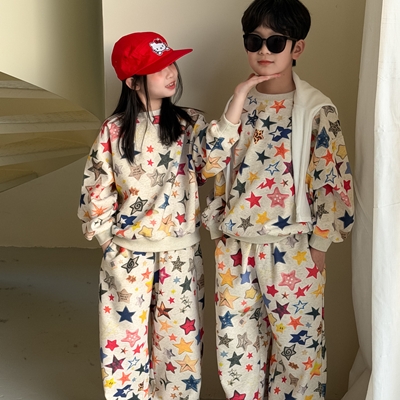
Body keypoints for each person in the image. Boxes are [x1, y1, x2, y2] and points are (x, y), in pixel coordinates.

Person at [78, 31, 277, 400]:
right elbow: (96, 190)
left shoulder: (189, 123)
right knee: (124, 346)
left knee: (179, 351)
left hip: (181, 255)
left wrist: (239, 97)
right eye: (158, 67)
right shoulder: (113, 131)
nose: (171, 72)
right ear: (133, 81)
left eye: (171, 63)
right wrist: (107, 242)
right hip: (128, 256)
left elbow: (213, 159)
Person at [202, 1, 354, 399]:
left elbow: (332, 180)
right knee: (238, 354)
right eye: (254, 41)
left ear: (297, 47)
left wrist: (320, 245)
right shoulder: (239, 107)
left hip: (293, 250)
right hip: (236, 249)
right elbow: (211, 167)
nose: (263, 51)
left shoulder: (317, 110)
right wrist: (237, 100)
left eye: (275, 42)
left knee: (299, 357)